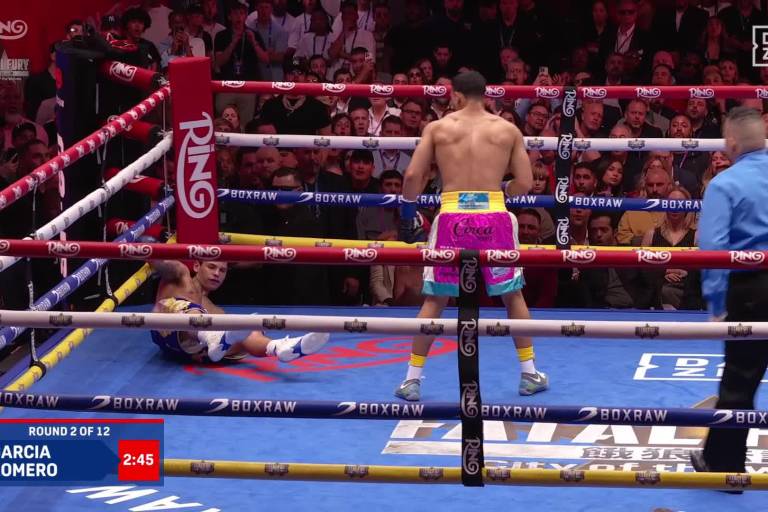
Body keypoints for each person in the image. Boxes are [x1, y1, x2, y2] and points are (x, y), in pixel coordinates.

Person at [395, 71, 546, 401]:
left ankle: (412, 379)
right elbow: (525, 183)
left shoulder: (438, 128)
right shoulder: (507, 129)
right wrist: (500, 189)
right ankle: (529, 373)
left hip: (452, 217)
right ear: (486, 97)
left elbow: (412, 176)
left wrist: (408, 214)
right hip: (494, 215)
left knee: (435, 299)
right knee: (512, 295)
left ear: (458, 96)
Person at [691, 107, 768, 482]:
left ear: (731, 143)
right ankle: (718, 459)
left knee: (740, 379)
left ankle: (725, 468)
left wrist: (717, 304)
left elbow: (714, 250)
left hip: (752, 289)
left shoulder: (724, 184)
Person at [149, 259, 329, 363]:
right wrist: (152, 255)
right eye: (211, 267)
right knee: (184, 307)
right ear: (196, 266)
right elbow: (158, 261)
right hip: (163, 328)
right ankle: (211, 337)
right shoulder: (181, 275)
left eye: (222, 270)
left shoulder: (214, 310)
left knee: (244, 328)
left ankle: (279, 347)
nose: (217, 273)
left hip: (188, 352)